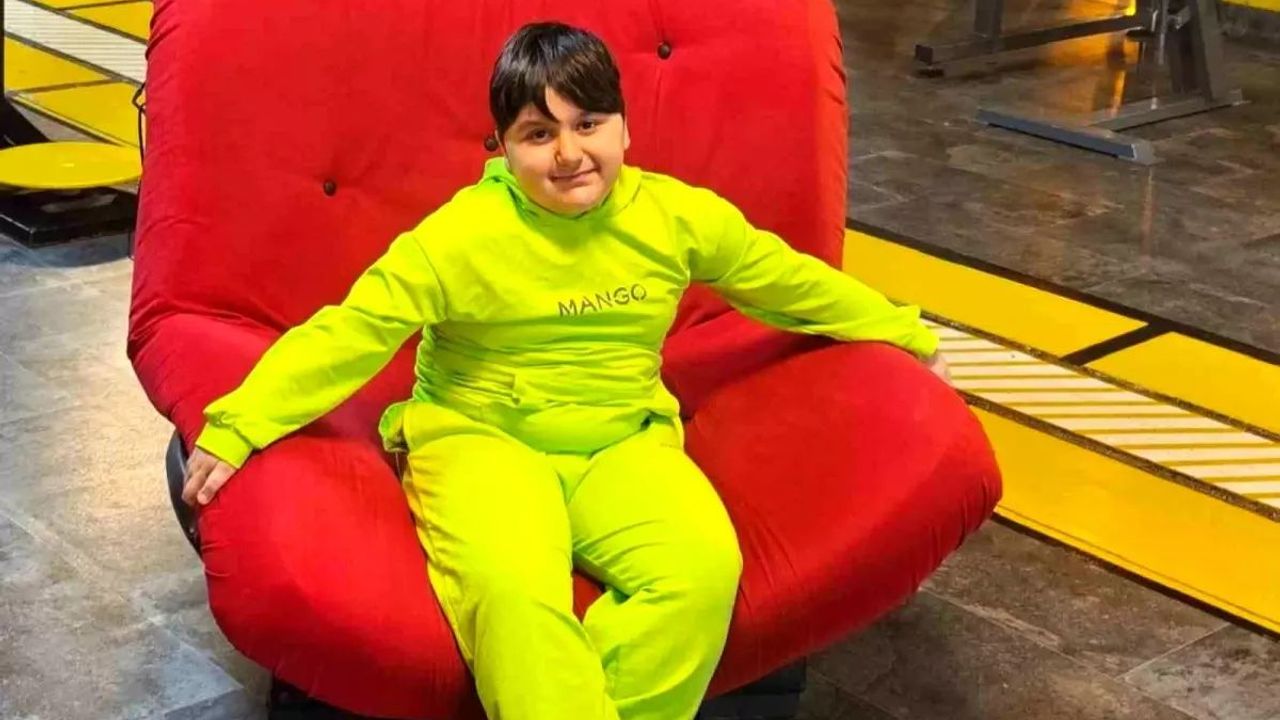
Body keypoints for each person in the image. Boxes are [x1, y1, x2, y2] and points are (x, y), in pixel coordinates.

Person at [181, 21, 949, 720]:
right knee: (514, 593)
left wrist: (900, 330)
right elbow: (352, 331)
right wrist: (241, 422)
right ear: (502, 148)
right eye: (538, 133)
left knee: (700, 574)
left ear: (624, 125)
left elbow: (786, 280)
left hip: (622, 440)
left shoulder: (676, 218)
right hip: (480, 440)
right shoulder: (460, 236)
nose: (570, 153)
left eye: (588, 124)